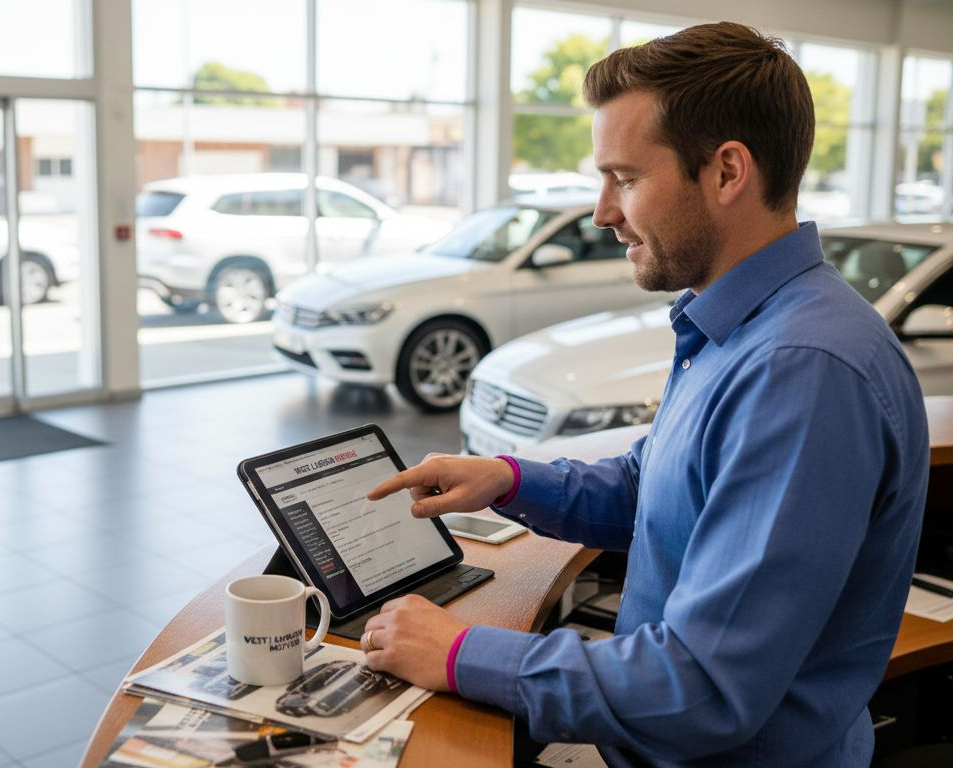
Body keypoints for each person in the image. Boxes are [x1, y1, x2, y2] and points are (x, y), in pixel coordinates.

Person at [360, 21, 929, 767]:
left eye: (624, 179)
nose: (603, 212)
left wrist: (463, 653)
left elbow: (703, 690)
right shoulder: (744, 326)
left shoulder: (803, 371)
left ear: (727, 172)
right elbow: (659, 486)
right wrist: (509, 478)